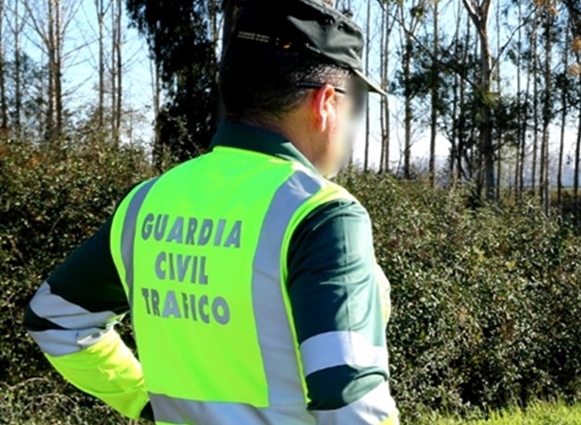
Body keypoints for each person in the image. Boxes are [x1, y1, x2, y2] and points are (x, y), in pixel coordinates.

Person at [22, 1, 398, 424]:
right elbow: (351, 400)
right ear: (326, 102)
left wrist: (144, 400)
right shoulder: (322, 216)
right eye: (357, 105)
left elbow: (54, 320)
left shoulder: (146, 203)